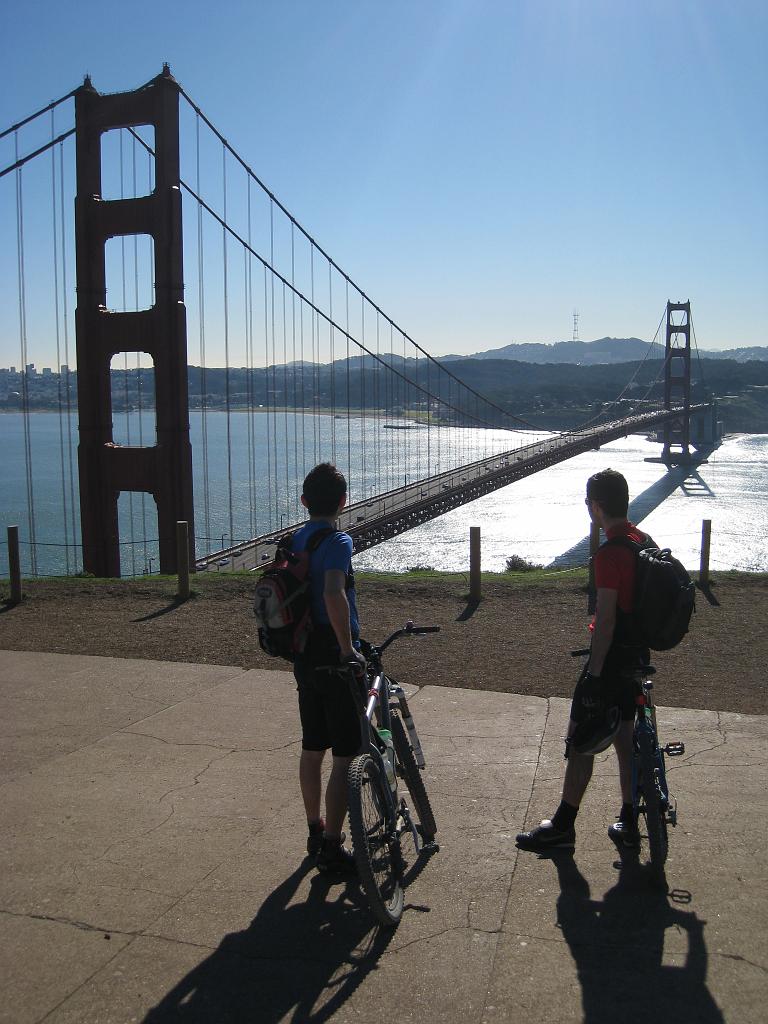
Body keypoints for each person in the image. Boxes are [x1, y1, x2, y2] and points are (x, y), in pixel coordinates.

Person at [516, 468, 650, 852]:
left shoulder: (610, 553)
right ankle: (630, 820)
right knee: (626, 738)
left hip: (611, 660)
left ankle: (563, 826)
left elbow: (606, 620)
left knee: (581, 740)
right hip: (639, 655)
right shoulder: (644, 541)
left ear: (595, 506)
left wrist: (594, 672)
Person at [290, 462, 366, 874]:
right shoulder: (338, 540)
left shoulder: (293, 539)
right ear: (343, 502)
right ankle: (334, 849)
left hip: (302, 655)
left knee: (312, 747)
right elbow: (334, 593)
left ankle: (314, 829)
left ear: (304, 502)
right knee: (343, 757)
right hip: (332, 655)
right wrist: (347, 649)